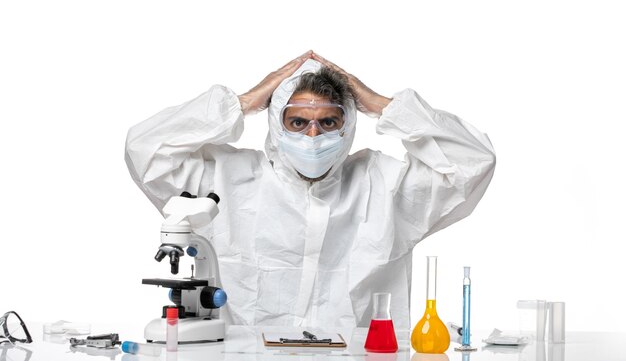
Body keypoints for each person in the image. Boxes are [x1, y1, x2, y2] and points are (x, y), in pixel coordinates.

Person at [125, 51, 496, 330]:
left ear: (348, 125)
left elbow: (472, 162)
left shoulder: (386, 186)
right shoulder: (227, 179)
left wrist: (384, 107)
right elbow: (145, 151)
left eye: (329, 122)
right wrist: (241, 103)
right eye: (298, 122)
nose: (313, 136)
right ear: (277, 123)